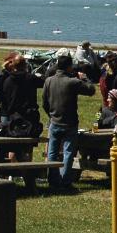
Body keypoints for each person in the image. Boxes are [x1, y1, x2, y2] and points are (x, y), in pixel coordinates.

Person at [42, 54, 96, 188]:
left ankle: (52, 179)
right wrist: (85, 78)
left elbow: (44, 102)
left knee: (52, 153)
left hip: (54, 121)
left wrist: (51, 114)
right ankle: (65, 180)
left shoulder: (49, 81)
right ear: (69, 67)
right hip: (70, 123)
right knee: (68, 153)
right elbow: (91, 90)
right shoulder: (73, 82)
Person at [0, 52, 42, 140]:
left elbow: (2, 97)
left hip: (13, 115)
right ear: (25, 65)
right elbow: (43, 82)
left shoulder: (7, 80)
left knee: (13, 145)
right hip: (29, 115)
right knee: (28, 146)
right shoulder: (31, 78)